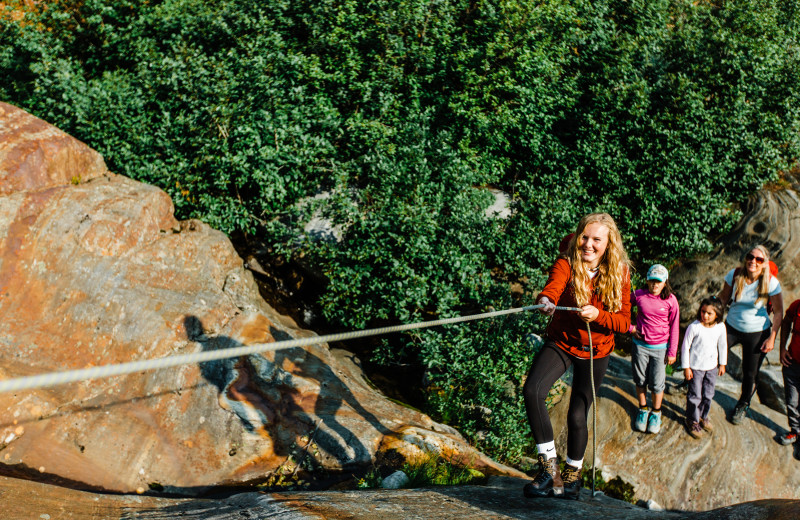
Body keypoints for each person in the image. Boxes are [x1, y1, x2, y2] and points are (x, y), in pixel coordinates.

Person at [523, 213, 631, 500]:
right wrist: (546, 302)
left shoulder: (619, 272)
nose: (589, 244)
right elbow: (553, 288)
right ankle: (549, 469)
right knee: (533, 389)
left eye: (597, 239)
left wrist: (599, 316)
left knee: (577, 414)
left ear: (609, 244)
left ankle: (571, 480)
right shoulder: (566, 262)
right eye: (585, 236)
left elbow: (623, 322)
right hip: (562, 341)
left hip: (597, 350)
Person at [717, 246, 783, 424]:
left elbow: (778, 312)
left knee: (750, 373)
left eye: (759, 259)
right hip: (732, 326)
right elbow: (723, 299)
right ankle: (689, 382)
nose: (753, 261)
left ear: (765, 263)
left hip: (757, 332)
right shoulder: (735, 274)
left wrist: (772, 338)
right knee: (710, 351)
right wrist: (711, 322)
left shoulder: (770, 282)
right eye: (750, 257)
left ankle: (743, 404)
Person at [629, 264, 679, 434]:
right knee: (640, 380)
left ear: (665, 282)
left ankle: (656, 413)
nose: (655, 285)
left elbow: (675, 326)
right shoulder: (639, 295)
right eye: (652, 281)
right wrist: (630, 328)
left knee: (657, 384)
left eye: (658, 282)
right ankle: (643, 409)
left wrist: (672, 351)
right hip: (640, 347)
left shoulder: (671, 300)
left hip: (660, 348)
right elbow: (621, 307)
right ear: (647, 280)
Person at [681, 297, 727, 438]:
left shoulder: (720, 327)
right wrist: (686, 367)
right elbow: (685, 347)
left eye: (709, 313)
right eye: (703, 311)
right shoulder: (694, 327)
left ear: (717, 315)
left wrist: (722, 363)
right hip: (696, 367)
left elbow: (722, 345)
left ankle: (702, 416)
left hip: (712, 367)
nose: (705, 316)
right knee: (695, 395)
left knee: (708, 394)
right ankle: (692, 419)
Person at [778, 299, 800, 448]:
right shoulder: (797, 305)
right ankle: (795, 431)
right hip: (793, 363)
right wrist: (782, 348)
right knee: (792, 401)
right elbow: (786, 322)